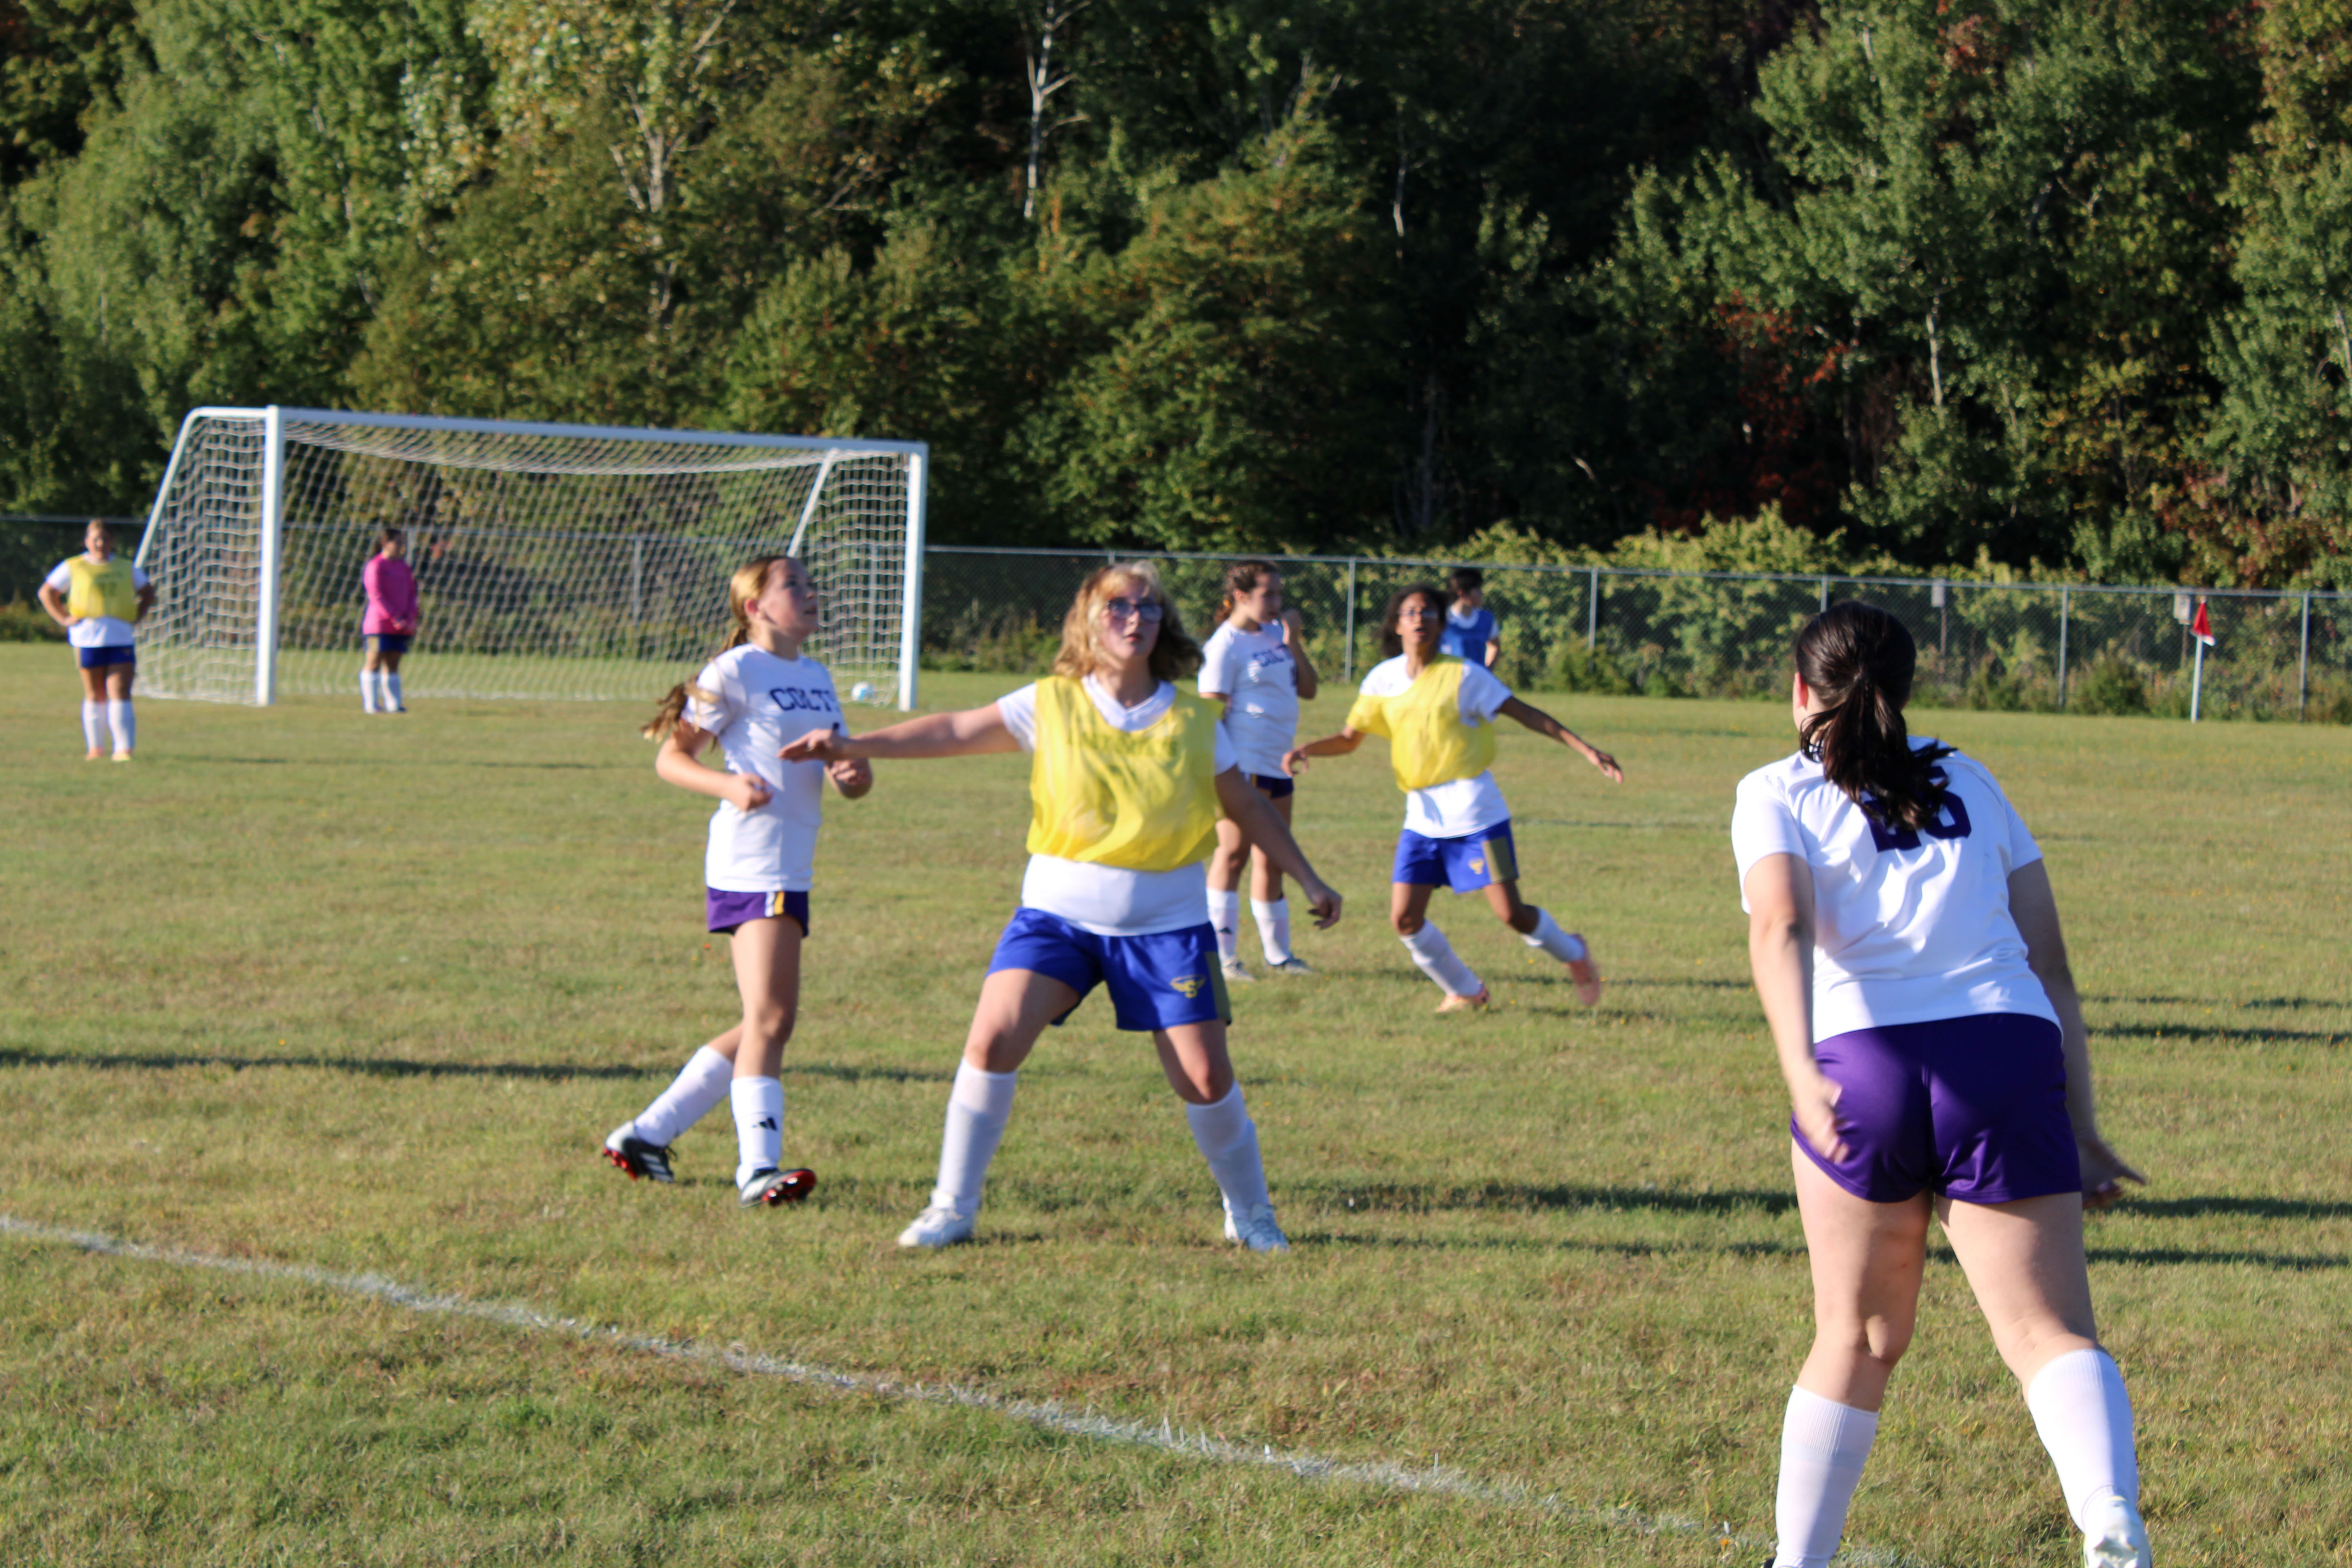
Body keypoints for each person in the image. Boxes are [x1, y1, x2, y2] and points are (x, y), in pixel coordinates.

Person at [1733, 601, 2151, 1568]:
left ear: (1799, 691)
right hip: (2003, 1055)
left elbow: (1779, 927)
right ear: (1907, 688)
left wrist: (1801, 1071)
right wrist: (2083, 1121)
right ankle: (2106, 1516)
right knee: (2047, 1332)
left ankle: (1798, 1561)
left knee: (1857, 1334)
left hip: (1864, 1062)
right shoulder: (1971, 776)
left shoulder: (1773, 789)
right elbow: (2050, 962)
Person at [782, 561, 1342, 1252]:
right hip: (1057, 917)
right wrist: (854, 744)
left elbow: (1248, 805)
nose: (1134, 620)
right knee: (993, 1038)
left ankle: (1251, 1213)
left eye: (1148, 609)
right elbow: (957, 730)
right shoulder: (1052, 702)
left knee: (1204, 1075)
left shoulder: (1195, 718)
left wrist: (1310, 879)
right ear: (1088, 619)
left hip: (1167, 925)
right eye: (1118, 608)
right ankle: (951, 1207)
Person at [601, 555, 873, 1209]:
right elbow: (672, 757)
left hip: (791, 865)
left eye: (810, 585)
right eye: (794, 588)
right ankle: (757, 1170)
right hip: (753, 861)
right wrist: (728, 783)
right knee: (773, 1019)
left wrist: (852, 775)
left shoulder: (816, 674)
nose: (810, 595)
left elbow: (849, 770)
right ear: (754, 608)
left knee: (764, 1021)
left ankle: (647, 1134)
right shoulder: (733, 670)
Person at [1285, 583, 1620, 1014]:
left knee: (1511, 914)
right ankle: (1465, 990)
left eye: (1428, 612)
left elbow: (1526, 713)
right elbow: (1351, 740)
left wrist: (1587, 750)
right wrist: (1308, 748)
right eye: (1410, 612)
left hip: (1479, 814)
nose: (1419, 619)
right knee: (1405, 919)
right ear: (1396, 624)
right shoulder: (1382, 679)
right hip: (1421, 818)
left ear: (1441, 624)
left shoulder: (1464, 675)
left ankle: (1574, 952)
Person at [1197, 559, 1320, 982]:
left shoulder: (1275, 636)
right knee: (1232, 856)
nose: (1277, 602)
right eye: (1269, 594)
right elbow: (1209, 715)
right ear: (1240, 597)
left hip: (1277, 762)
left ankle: (1279, 956)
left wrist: (1294, 641)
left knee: (1274, 857)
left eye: (1279, 594)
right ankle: (1224, 957)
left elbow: (1309, 689)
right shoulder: (1224, 646)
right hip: (1241, 765)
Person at [38, 519, 155, 762]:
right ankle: (96, 748)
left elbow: (148, 592)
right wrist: (63, 619)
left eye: (105, 539)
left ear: (112, 542)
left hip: (120, 638)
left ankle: (124, 749)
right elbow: (47, 592)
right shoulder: (74, 566)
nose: (100, 544)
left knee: (120, 691)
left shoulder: (125, 568)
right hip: (87, 638)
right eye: (96, 539)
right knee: (95, 694)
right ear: (87, 542)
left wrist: (138, 616)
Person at [360, 528, 419, 713]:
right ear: (386, 543)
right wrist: (395, 617)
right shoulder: (376, 566)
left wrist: (411, 616)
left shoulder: (404, 568)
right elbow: (376, 595)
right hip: (378, 625)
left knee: (393, 664)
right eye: (398, 542)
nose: (402, 546)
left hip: (400, 625)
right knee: (374, 661)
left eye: (403, 543)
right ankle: (371, 705)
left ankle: (394, 705)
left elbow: (412, 594)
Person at [1437, 566, 1499, 669]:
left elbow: (1495, 645)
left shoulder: (1486, 619)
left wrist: (1488, 672)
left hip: (1476, 683)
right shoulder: (1443, 619)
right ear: (1462, 593)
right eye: (1477, 589)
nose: (1481, 593)